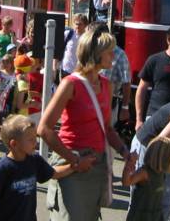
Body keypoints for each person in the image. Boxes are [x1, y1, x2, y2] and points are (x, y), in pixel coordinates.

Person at [37, 23, 129, 221]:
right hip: (72, 165)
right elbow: (44, 129)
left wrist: (125, 152)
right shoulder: (71, 84)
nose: (114, 56)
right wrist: (74, 160)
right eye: (109, 52)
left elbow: (107, 128)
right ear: (95, 54)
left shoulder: (106, 85)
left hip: (96, 166)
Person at [0, 115, 76, 221]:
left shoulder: (34, 160)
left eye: (35, 138)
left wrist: (73, 166)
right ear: (14, 144)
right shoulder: (1, 170)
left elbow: (53, 173)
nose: (35, 143)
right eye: (30, 139)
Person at [123, 136, 170, 221]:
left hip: (155, 214)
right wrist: (130, 164)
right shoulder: (145, 172)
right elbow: (126, 182)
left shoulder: (162, 173)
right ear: (165, 158)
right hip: (140, 216)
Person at [96, 23, 132, 125]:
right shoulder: (90, 50)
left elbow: (126, 81)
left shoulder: (119, 54)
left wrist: (125, 107)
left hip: (108, 102)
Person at [60, 14, 88, 78]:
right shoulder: (67, 34)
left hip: (80, 72)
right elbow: (58, 49)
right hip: (65, 70)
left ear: (85, 25)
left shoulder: (87, 37)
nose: (77, 26)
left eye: (80, 24)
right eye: (76, 24)